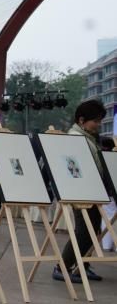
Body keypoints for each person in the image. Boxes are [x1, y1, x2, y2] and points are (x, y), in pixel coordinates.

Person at [55, 99, 107, 283]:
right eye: (96, 121)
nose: (98, 124)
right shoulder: (75, 138)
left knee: (92, 229)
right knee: (84, 231)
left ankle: (81, 266)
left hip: (92, 191)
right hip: (82, 191)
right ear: (82, 120)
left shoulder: (88, 137)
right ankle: (63, 267)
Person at [100, 136, 116, 253]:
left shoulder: (100, 158)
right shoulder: (113, 158)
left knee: (106, 219)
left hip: (105, 193)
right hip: (112, 193)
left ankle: (106, 245)